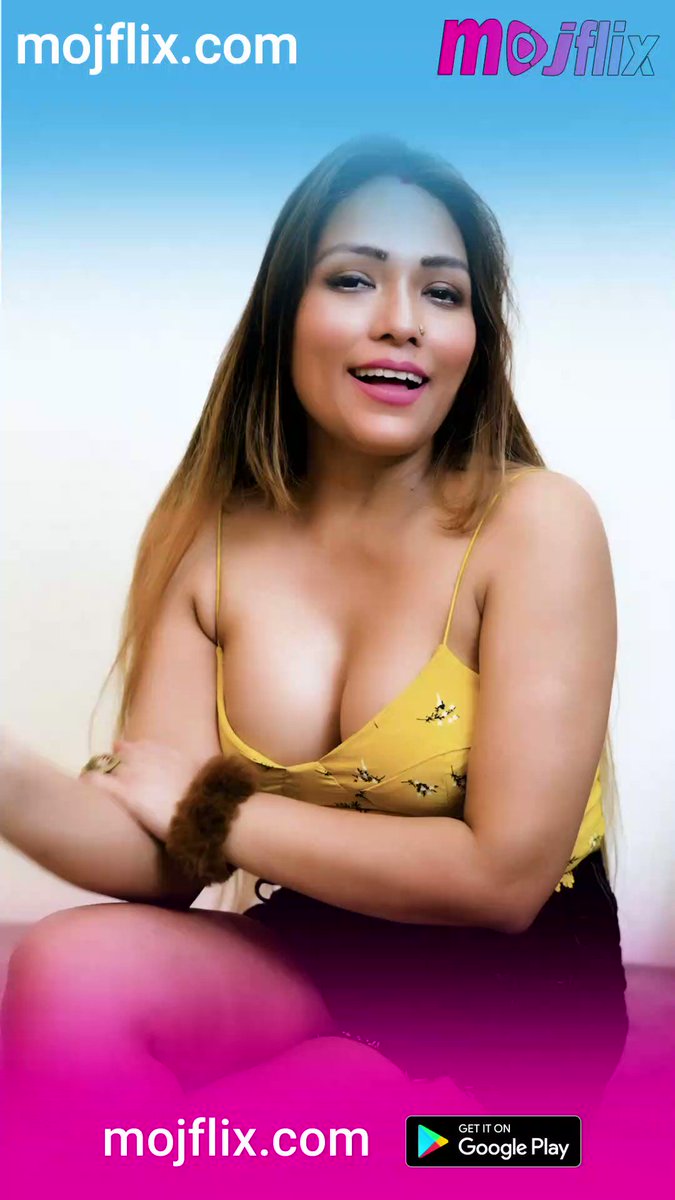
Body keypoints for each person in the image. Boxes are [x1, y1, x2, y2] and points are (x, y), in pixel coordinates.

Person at [0, 135, 628, 1119]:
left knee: (320, 1116)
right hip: (320, 954)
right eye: (353, 279)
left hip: (525, 1024)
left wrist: (221, 812)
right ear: (283, 312)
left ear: (473, 339)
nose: (401, 322)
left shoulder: (538, 523)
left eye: (443, 292)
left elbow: (503, 881)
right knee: (64, 971)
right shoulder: (208, 542)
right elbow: (164, 858)